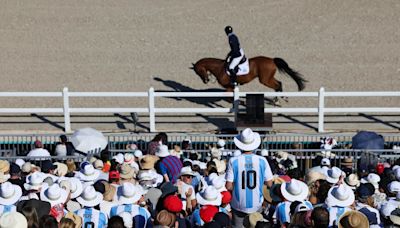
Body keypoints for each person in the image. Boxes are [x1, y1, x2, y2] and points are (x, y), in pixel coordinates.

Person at [225, 128, 273, 228]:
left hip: (238, 204)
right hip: (256, 204)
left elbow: (228, 186)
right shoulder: (262, 160)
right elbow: (269, 183)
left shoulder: (233, 161)